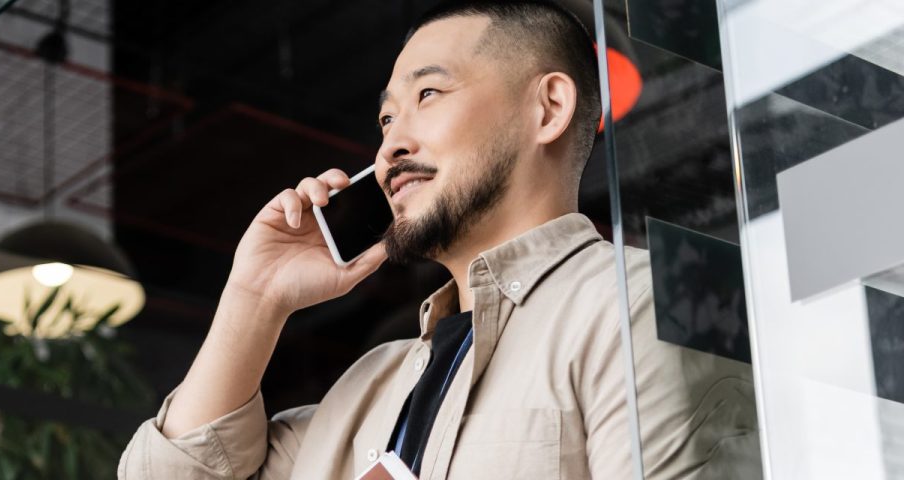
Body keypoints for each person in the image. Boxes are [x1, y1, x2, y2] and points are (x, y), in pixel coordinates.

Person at [118, 0, 756, 478]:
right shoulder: (364, 389)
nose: (391, 141)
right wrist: (255, 297)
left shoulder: (640, 306)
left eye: (428, 93)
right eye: (387, 116)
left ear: (549, 109)